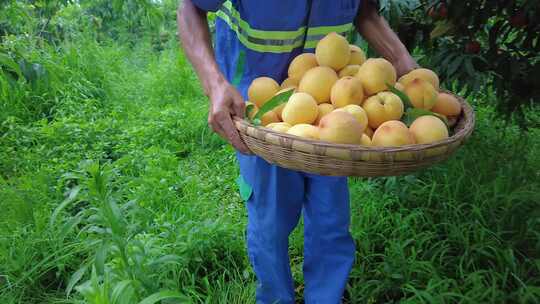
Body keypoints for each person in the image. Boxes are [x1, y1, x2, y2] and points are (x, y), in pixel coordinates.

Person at [178, 1, 416, 303]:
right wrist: (214, 84)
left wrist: (402, 61)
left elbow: (365, 11)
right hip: (261, 109)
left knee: (331, 220)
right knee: (271, 221)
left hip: (333, 105)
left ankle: (326, 298)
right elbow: (190, 6)